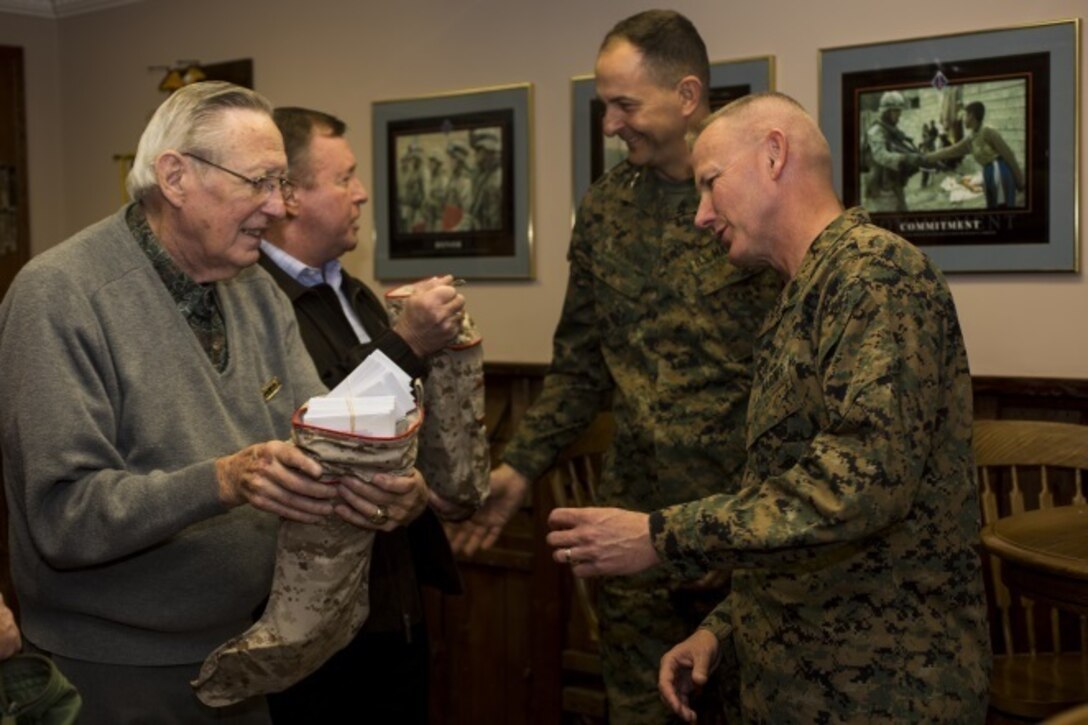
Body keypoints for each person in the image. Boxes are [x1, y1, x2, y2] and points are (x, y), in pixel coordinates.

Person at [545, 92, 992, 723]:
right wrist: (724, 629)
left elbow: (858, 486)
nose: (700, 215)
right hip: (798, 680)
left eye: (711, 184)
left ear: (774, 155)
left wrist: (660, 537)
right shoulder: (800, 294)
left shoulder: (875, 277)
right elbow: (789, 500)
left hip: (881, 691)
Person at [0, 81, 424, 724]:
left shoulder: (254, 290)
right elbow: (64, 518)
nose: (279, 208)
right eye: (260, 182)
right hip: (109, 676)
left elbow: (321, 438)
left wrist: (389, 485)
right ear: (175, 177)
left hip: (240, 659)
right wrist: (225, 480)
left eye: (284, 185)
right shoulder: (59, 295)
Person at [449, 10, 780, 723]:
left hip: (748, 530)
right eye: (605, 105)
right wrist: (519, 467)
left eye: (624, 105)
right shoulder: (605, 209)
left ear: (687, 96)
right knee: (638, 710)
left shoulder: (757, 199)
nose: (608, 124)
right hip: (634, 526)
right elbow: (579, 366)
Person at [258, 106, 466, 725]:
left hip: (392, 595)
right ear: (291, 196)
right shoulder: (261, 301)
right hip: (316, 613)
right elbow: (318, 429)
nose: (362, 192)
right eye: (344, 177)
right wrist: (407, 342)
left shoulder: (353, 292)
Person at [924, 100, 1025, 209]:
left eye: (965, 115)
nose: (963, 120)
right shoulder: (971, 138)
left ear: (971, 116)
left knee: (1002, 209)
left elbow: (1008, 155)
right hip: (988, 174)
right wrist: (928, 157)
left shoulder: (988, 131)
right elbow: (951, 150)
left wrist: (1020, 181)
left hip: (1000, 173)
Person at [863, 90, 924, 212]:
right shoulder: (876, 131)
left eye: (899, 111)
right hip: (881, 190)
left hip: (894, 185)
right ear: (887, 111)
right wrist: (904, 158)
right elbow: (881, 156)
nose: (899, 115)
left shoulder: (891, 131)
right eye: (896, 111)